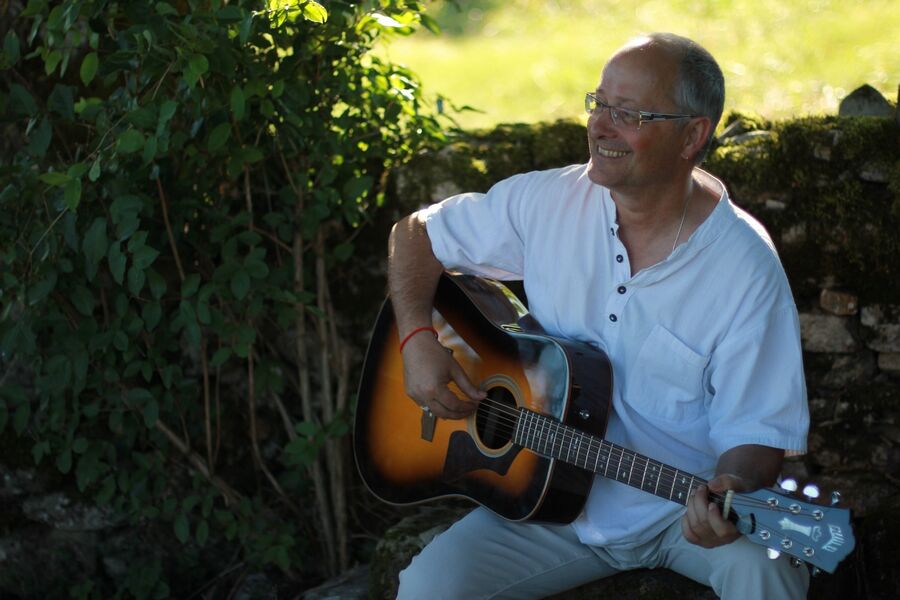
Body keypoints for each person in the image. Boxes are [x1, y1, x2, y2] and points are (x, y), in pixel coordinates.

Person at [386, 32, 810, 599]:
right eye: (599, 103)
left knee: (769, 573)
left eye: (628, 113)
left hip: (678, 510)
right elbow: (414, 235)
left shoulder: (745, 268)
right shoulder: (549, 202)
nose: (601, 125)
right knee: (428, 587)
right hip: (547, 501)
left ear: (692, 136)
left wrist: (729, 489)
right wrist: (416, 337)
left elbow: (757, 436)